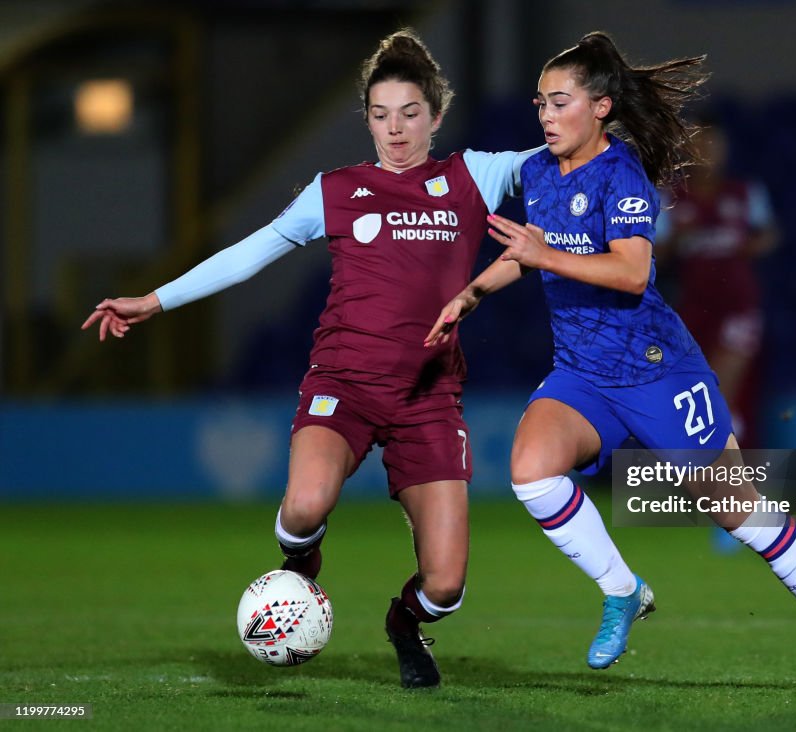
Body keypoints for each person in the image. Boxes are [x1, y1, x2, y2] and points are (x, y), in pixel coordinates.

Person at [81, 29, 542, 690]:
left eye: (410, 113)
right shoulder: (335, 190)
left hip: (428, 397)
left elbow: (563, 157)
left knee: (445, 585)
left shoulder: (475, 175)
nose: (396, 129)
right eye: (381, 115)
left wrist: (611, 114)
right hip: (343, 384)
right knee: (302, 506)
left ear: (435, 116)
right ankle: (301, 568)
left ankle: (404, 624)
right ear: (367, 120)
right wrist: (156, 300)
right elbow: (251, 253)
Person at [426, 32, 796, 695]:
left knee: (736, 509)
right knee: (530, 470)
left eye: (560, 102)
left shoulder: (623, 175)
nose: (545, 116)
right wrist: (467, 297)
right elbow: (529, 251)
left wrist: (541, 254)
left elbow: (633, 273)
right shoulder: (544, 173)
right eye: (540, 102)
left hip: (657, 371)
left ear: (601, 107)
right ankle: (623, 589)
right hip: (583, 374)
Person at [658, 116, 779, 447]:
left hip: (738, 304)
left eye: (713, 144)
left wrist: (745, 244)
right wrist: (677, 241)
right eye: (699, 143)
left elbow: (768, 235)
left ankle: (727, 479)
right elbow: (652, 253)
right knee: (692, 394)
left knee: (724, 391)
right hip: (691, 307)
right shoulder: (669, 197)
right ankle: (704, 479)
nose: (706, 151)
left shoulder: (744, 192)